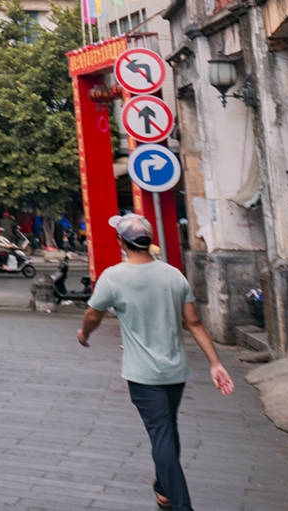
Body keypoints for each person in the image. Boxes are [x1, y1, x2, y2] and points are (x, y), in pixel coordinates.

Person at [78, 213, 234, 511]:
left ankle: (181, 504)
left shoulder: (113, 277)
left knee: (161, 433)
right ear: (150, 242)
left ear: (121, 241)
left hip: (143, 376)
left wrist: (85, 333)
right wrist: (215, 363)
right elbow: (195, 322)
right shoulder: (173, 274)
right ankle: (163, 487)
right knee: (166, 428)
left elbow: (93, 314)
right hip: (175, 372)